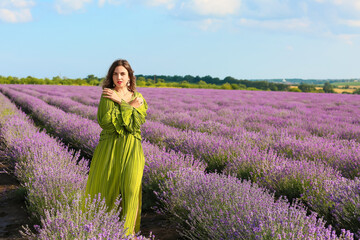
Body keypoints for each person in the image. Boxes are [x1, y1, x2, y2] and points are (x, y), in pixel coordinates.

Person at [84, 59, 148, 237]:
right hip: (110, 148)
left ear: (129, 77)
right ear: (111, 77)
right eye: (115, 73)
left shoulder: (139, 98)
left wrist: (121, 103)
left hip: (133, 149)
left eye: (123, 73)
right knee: (106, 191)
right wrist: (129, 108)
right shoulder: (107, 94)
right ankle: (102, 232)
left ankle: (129, 235)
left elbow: (134, 125)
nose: (119, 77)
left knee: (131, 190)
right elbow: (107, 124)